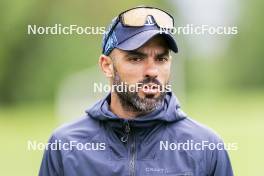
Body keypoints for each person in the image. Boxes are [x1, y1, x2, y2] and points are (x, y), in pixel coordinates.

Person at [39, 6, 234, 176]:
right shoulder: (65, 147)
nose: (152, 71)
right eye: (136, 59)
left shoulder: (206, 147)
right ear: (107, 66)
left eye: (161, 59)